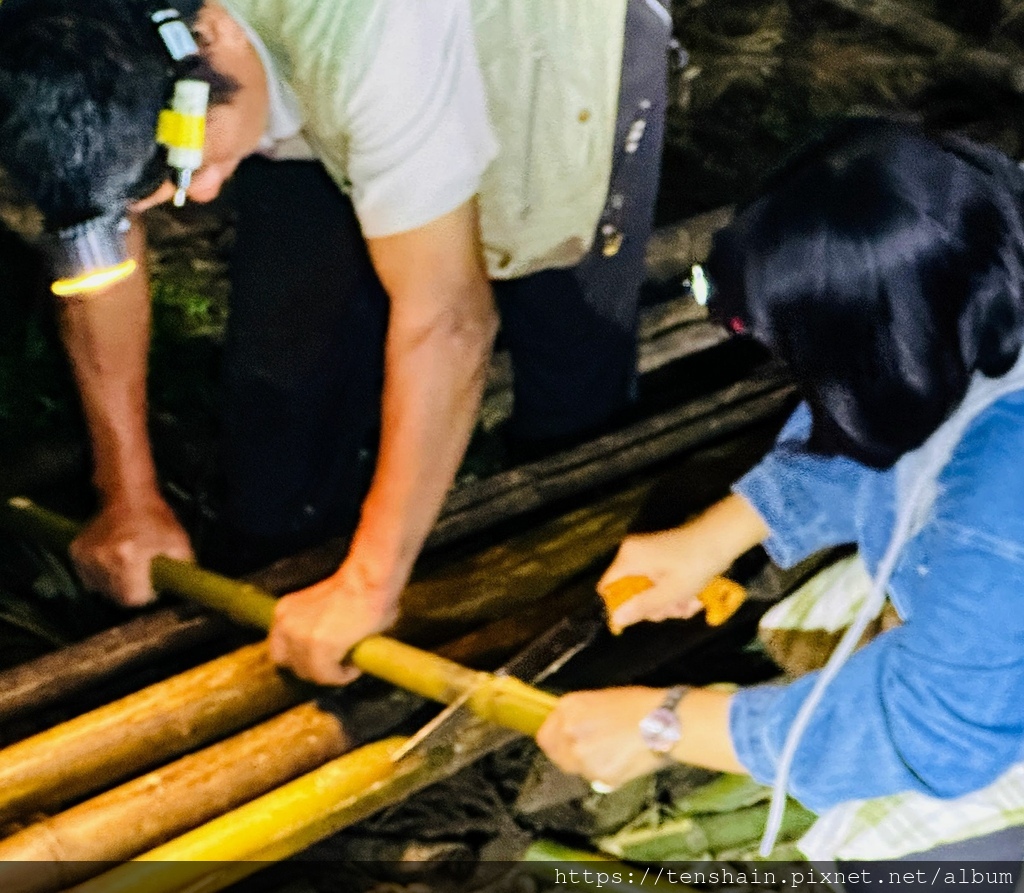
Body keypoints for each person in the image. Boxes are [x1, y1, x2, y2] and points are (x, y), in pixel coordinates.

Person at [0, 0, 672, 685]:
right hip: (291, 61)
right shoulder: (76, 40)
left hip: (538, 40)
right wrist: (127, 493)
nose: (201, 192)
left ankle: (585, 619)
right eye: (167, 185)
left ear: (213, 37)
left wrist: (369, 584)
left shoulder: (367, 30)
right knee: (285, 371)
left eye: (195, 162)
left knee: (564, 335)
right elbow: (99, 255)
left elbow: (448, 320)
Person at [537, 117, 1024, 861]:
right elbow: (883, 410)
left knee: (897, 863)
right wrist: (717, 534)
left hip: (974, 684)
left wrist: (669, 724)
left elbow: (938, 728)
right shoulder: (982, 263)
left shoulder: (1001, 491)